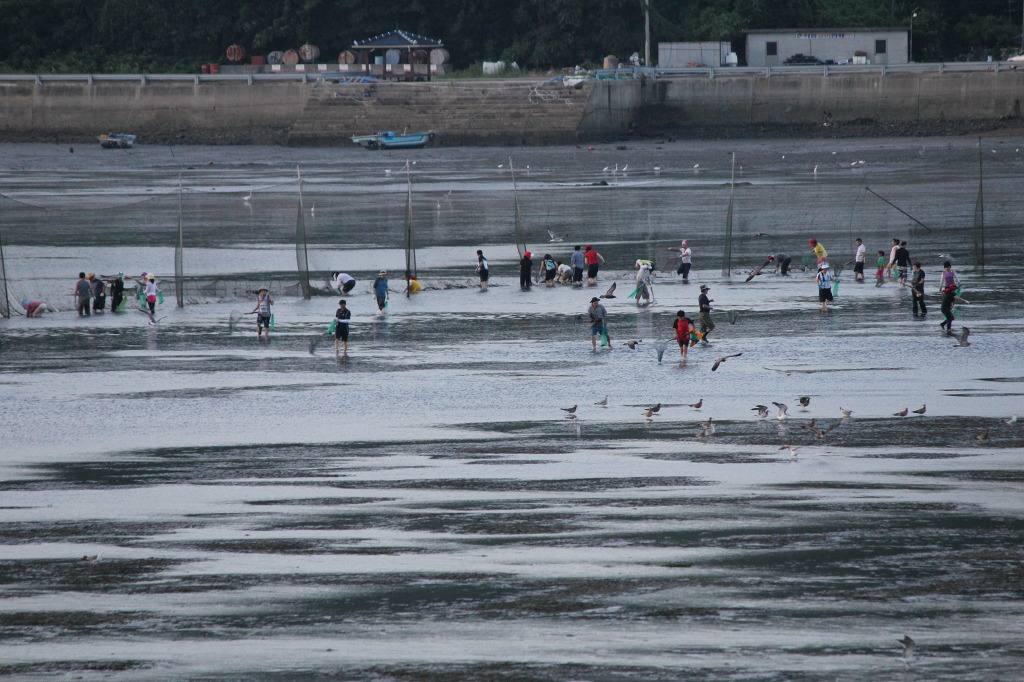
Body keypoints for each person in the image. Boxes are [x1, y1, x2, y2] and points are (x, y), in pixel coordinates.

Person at [939, 261, 959, 332]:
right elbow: (941, 281)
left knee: (951, 304)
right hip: (947, 289)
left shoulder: (953, 272)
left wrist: (958, 285)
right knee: (948, 304)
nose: (947, 269)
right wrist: (940, 288)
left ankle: (945, 324)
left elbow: (957, 279)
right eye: (946, 268)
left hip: (953, 288)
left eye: (948, 267)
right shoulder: (943, 273)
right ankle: (948, 327)